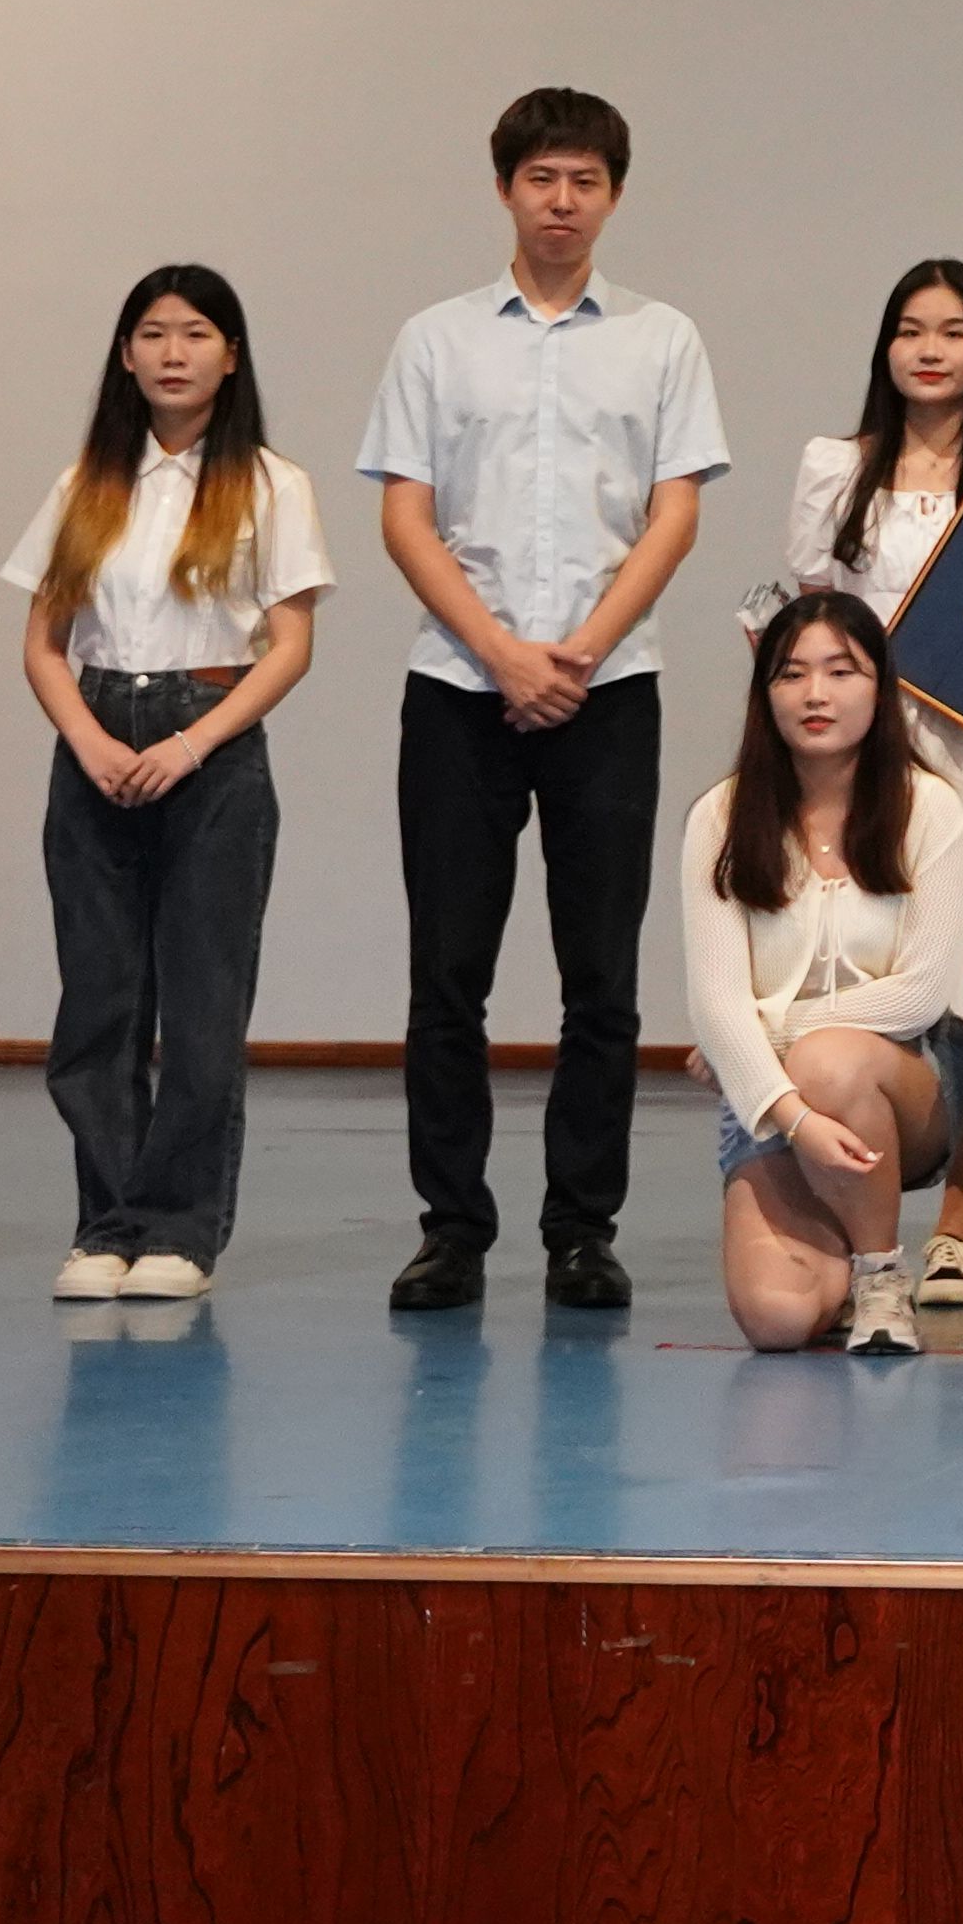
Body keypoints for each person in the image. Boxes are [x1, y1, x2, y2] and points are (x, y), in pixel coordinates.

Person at [357, 88, 726, 1316]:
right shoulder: (436, 337)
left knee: (601, 978)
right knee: (446, 976)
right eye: (541, 179)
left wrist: (576, 651)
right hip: (458, 689)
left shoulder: (663, 337)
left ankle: (582, 1231)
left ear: (613, 194)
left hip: (608, 689)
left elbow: (674, 512)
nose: (562, 202)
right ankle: (451, 1229)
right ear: (505, 188)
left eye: (585, 181)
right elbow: (405, 515)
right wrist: (502, 652)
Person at [6, 263, 325, 1304]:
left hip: (212, 744)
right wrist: (90, 741)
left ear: (231, 356)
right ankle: (105, 1225)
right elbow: (44, 644)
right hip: (96, 738)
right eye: (152, 333)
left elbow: (289, 646)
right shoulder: (86, 484)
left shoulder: (272, 484)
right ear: (126, 354)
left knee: (201, 1004)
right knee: (98, 1000)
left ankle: (182, 1231)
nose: (173, 352)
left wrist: (191, 746)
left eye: (195, 333)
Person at [776, 256, 963, 1312]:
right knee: (862, 964)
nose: (930, 350)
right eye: (910, 330)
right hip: (866, 759)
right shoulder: (836, 467)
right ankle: (859, 1224)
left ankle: (957, 1225)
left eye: (953, 331)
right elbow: (811, 617)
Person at [673, 592, 963, 1355]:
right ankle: (834, 1257)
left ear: (880, 688)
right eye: (792, 674)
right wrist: (791, 1113)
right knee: (777, 1318)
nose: (816, 694)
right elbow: (714, 1000)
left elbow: (919, 996)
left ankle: (881, 1275)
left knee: (829, 1058)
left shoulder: (931, 808)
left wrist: (761, 1036)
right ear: (766, 694)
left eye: (841, 672)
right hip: (774, 1100)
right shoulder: (720, 816)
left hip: (909, 1079)